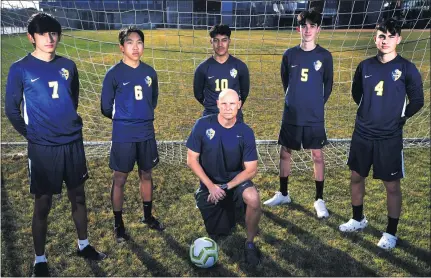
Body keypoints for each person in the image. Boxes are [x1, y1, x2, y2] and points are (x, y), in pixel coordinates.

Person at [5, 12, 106, 277]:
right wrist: (33, 135)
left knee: (79, 196)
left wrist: (67, 125)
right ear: (31, 37)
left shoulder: (68, 65)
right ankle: (39, 259)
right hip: (43, 148)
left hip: (72, 143)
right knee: (43, 203)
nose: (50, 38)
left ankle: (83, 244)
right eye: (43, 34)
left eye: (53, 33)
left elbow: (72, 99)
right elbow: (12, 110)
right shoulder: (20, 68)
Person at [339, 18, 424, 250]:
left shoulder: (407, 68)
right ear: (375, 38)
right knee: (356, 177)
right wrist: (370, 113)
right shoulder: (365, 66)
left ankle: (391, 232)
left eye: (391, 36)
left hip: (389, 137)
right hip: (363, 134)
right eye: (381, 36)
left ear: (399, 38)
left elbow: (418, 100)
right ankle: (358, 219)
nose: (386, 40)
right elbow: (357, 94)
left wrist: (399, 118)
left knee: (392, 186)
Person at [263, 9, 333, 219]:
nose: (308, 30)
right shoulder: (289, 54)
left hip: (314, 115)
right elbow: (287, 82)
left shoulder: (324, 56)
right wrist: (295, 101)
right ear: (298, 28)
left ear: (318, 29)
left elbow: (328, 86)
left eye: (312, 26)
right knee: (285, 151)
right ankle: (284, 193)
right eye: (304, 26)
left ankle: (319, 199)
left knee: (317, 154)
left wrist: (314, 105)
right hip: (292, 114)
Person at [101, 26, 164, 243]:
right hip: (124, 134)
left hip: (146, 132)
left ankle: (148, 216)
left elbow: (152, 100)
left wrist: (141, 115)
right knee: (120, 178)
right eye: (130, 42)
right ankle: (118, 224)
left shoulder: (150, 72)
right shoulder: (113, 74)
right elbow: (105, 107)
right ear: (121, 47)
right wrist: (126, 120)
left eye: (139, 42)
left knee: (146, 174)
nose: (135, 47)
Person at [186, 89, 261, 265]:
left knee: (253, 198)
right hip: (210, 186)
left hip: (233, 183)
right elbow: (191, 160)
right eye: (224, 103)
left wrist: (227, 186)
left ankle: (249, 243)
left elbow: (251, 170)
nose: (228, 108)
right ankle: (213, 202)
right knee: (221, 231)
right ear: (218, 104)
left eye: (232, 104)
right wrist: (211, 186)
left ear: (239, 105)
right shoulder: (202, 125)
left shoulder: (246, 131)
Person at [193, 24, 250, 121]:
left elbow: (244, 93)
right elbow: (198, 94)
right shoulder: (202, 68)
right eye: (216, 40)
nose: (220, 44)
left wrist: (232, 107)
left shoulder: (240, 66)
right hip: (211, 116)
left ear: (229, 42)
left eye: (224, 40)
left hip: (234, 117)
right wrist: (212, 107)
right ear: (211, 41)